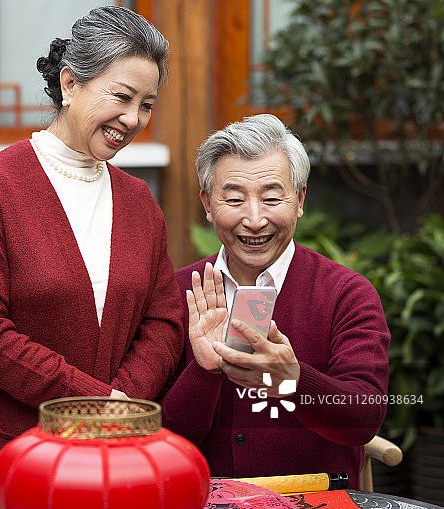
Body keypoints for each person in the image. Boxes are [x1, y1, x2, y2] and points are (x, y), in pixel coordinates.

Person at [0, 6, 183, 509]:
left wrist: (120, 406)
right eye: (121, 96)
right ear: (71, 83)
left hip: (117, 455)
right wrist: (92, 403)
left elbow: (164, 321)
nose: (133, 119)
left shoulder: (140, 201)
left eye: (147, 105)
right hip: (15, 455)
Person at [161, 114, 390, 488]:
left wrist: (293, 380)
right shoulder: (177, 292)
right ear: (207, 202)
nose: (254, 219)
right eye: (234, 199)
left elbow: (364, 419)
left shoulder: (346, 294)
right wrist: (204, 370)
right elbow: (161, 440)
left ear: (299, 199)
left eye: (271, 198)